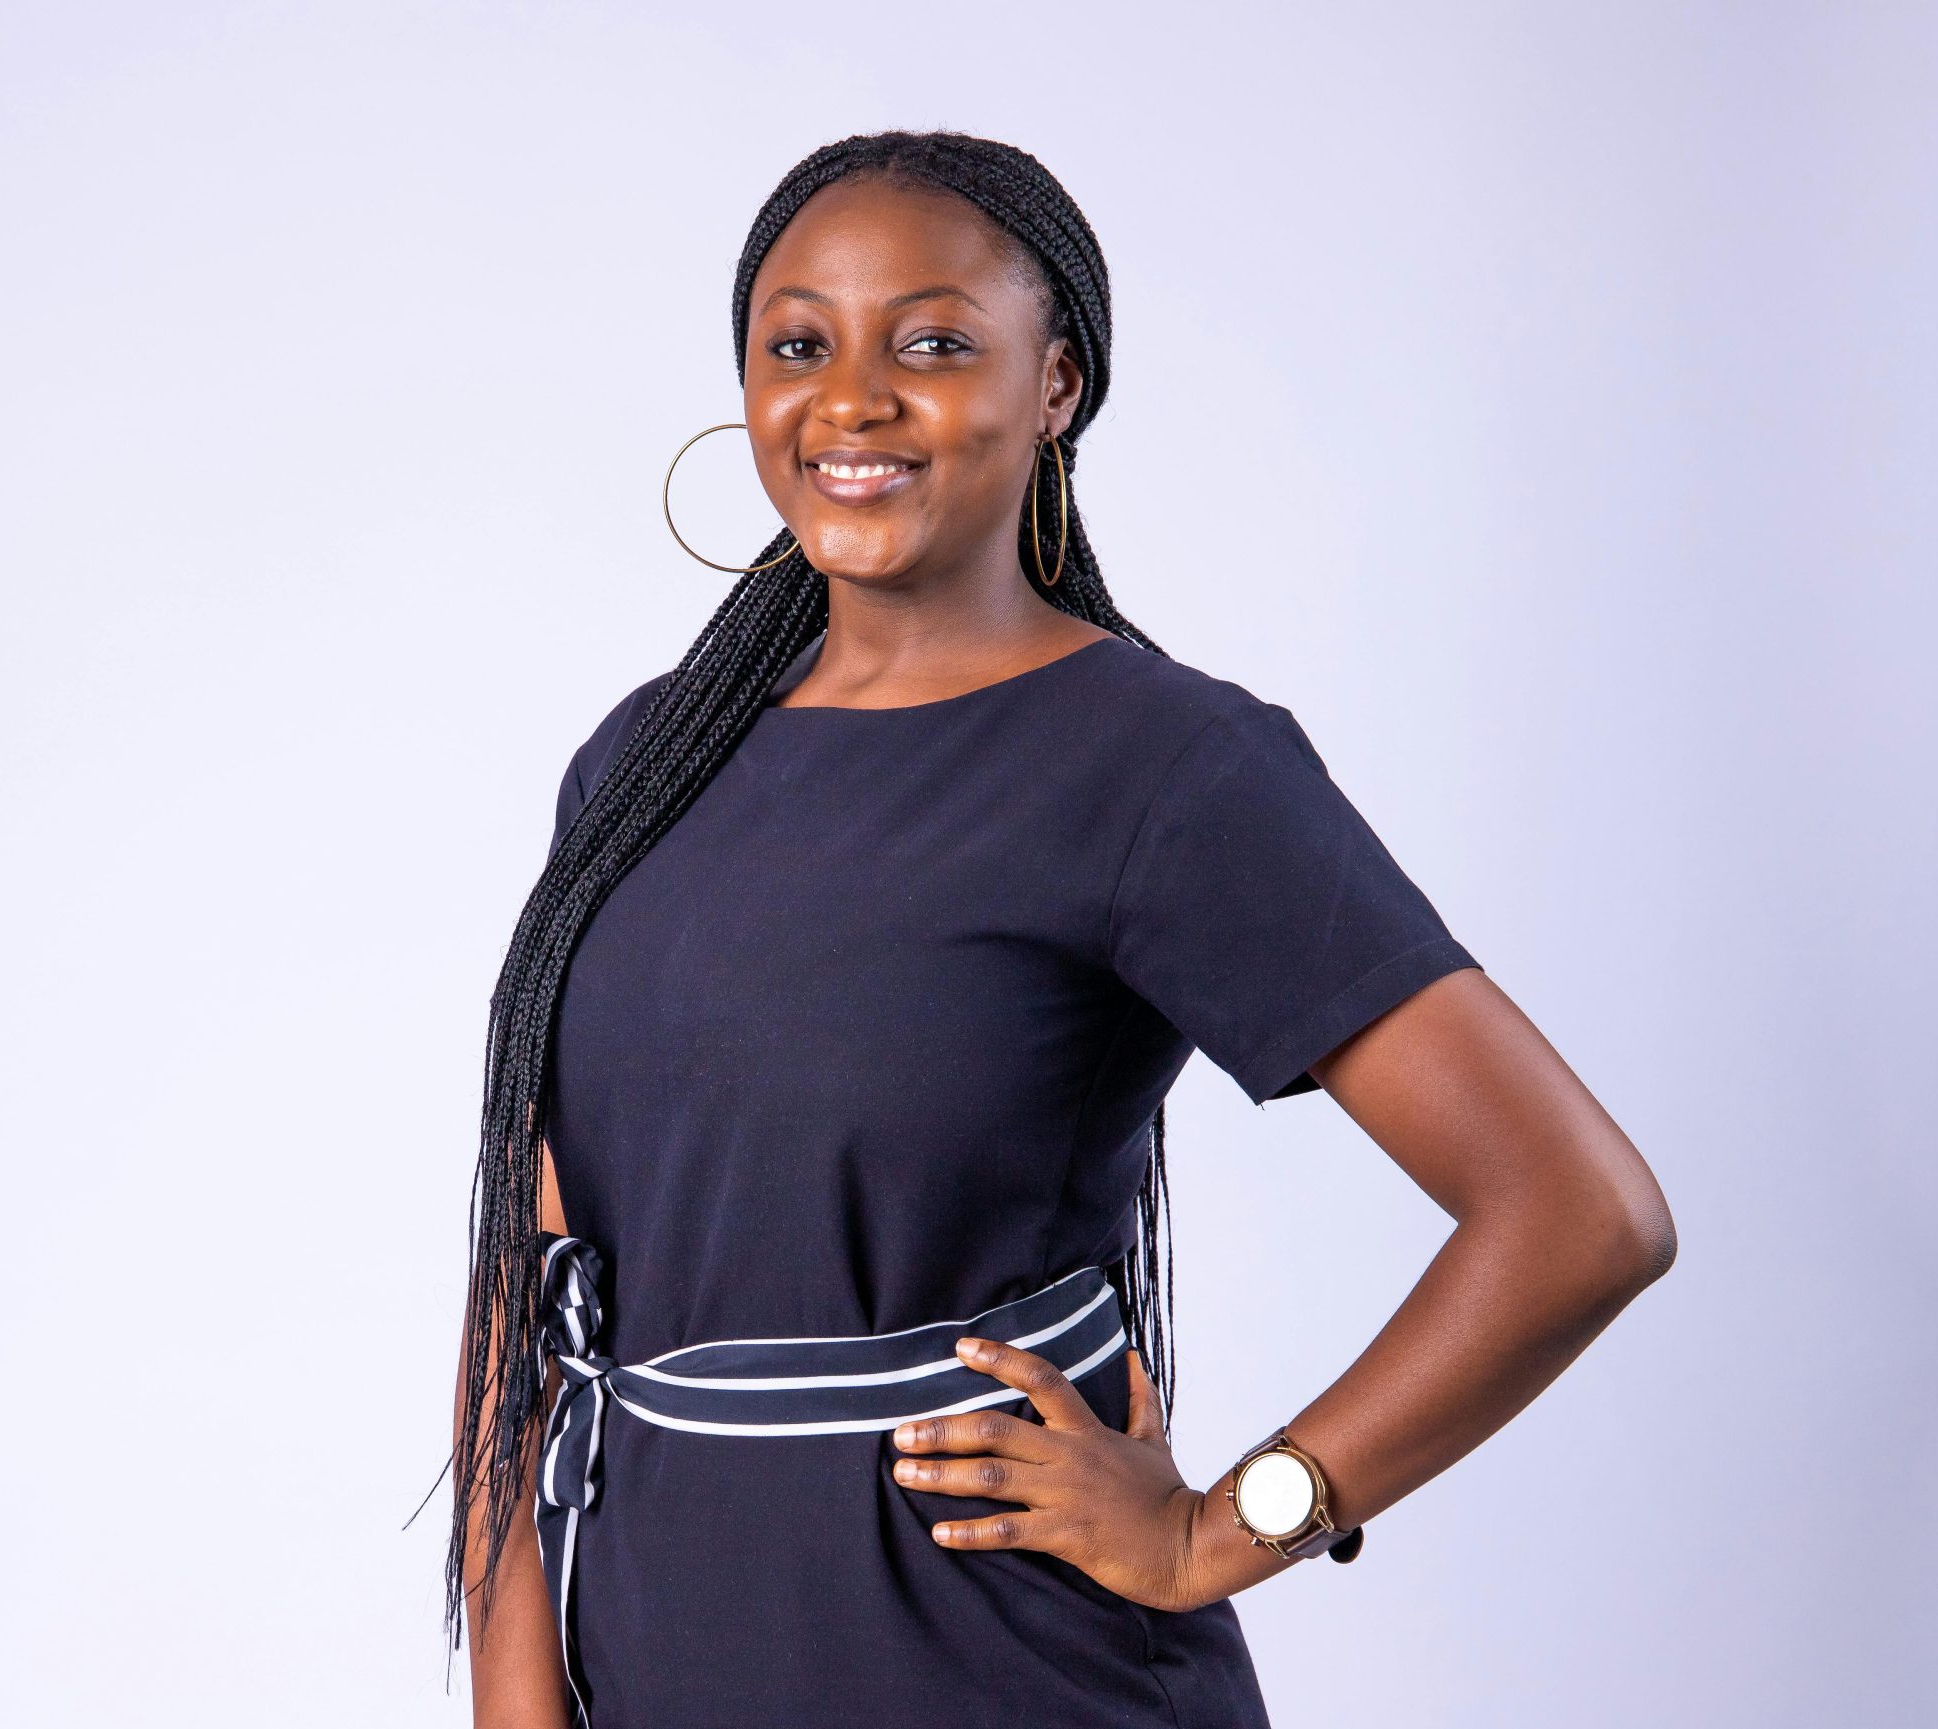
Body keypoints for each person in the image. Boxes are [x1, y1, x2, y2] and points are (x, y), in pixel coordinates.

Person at [437, 129, 1676, 1729]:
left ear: (1058, 387)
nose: (856, 399)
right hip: (664, 1662)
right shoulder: (640, 763)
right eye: (799, 344)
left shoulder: (1163, 766)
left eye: (936, 342)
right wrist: (518, 1701)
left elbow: (1581, 1210)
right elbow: (530, 1290)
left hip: (1009, 1674)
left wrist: (1228, 1523)